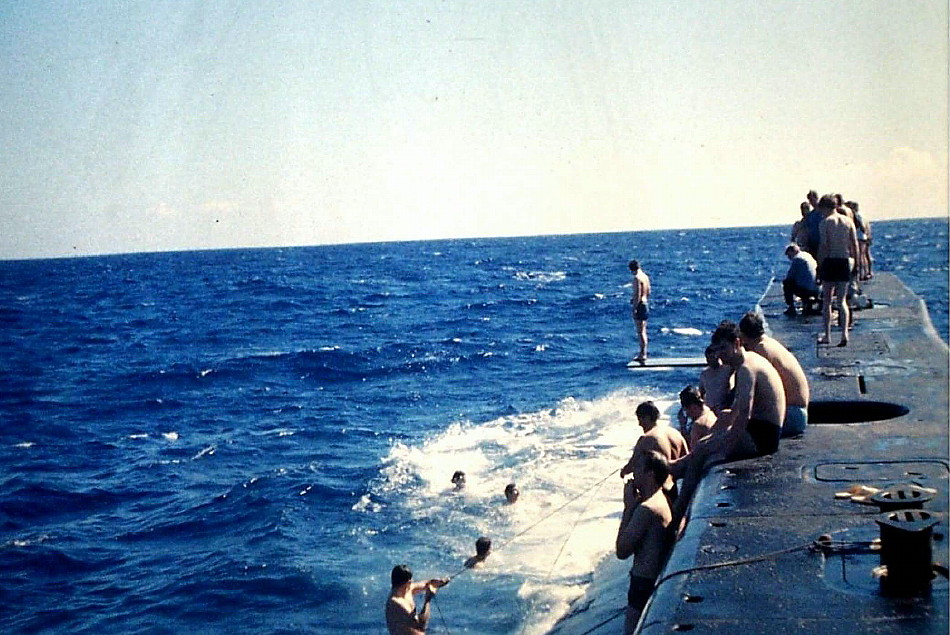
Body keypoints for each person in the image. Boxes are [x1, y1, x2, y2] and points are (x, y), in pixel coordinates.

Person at [669, 321, 785, 527]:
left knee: (705, 450)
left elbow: (744, 417)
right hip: (758, 428)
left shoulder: (746, 370)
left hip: (763, 437)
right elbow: (736, 413)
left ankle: (676, 516)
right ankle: (681, 467)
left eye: (723, 348)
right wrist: (718, 436)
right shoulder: (748, 361)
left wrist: (724, 450)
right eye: (717, 350)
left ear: (737, 343)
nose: (720, 355)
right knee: (718, 423)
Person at [616, 450, 673, 634]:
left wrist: (628, 508)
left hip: (643, 584)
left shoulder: (647, 509)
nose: (634, 473)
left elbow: (622, 550)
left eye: (639, 469)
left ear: (651, 474)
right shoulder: (661, 499)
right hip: (651, 579)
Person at [738, 312, 810, 437]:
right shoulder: (769, 342)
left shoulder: (762, 350)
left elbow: (757, 387)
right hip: (797, 412)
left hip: (792, 414)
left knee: (740, 425)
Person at [620, 401, 688, 503]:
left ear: (647, 417)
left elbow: (632, 466)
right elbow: (687, 462)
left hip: (658, 495)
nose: (639, 424)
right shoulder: (675, 433)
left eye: (640, 419)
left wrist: (623, 472)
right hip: (676, 493)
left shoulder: (646, 439)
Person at [817, 194, 859, 347]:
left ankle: (827, 335)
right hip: (844, 261)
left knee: (827, 301)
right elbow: (854, 245)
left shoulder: (825, 223)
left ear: (825, 207)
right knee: (842, 301)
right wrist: (857, 265)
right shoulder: (848, 222)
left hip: (830, 262)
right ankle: (844, 334)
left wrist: (819, 267)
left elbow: (824, 246)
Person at [385, 565, 448, 635]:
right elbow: (421, 625)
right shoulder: (396, 603)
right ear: (407, 583)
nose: (412, 582)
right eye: (411, 582)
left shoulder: (406, 589)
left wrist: (435, 582)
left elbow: (425, 584)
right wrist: (427, 600)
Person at [782, 243, 821, 316]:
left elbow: (789, 276)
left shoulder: (797, 259)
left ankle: (791, 308)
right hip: (817, 288)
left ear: (792, 251)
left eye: (788, 255)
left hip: (807, 290)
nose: (788, 257)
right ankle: (808, 304)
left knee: (787, 284)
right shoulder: (807, 255)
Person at [698, 346, 735, 415]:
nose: (709, 360)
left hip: (723, 407)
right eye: (707, 358)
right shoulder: (704, 373)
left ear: (717, 357)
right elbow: (701, 392)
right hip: (709, 408)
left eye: (712, 357)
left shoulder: (727, 370)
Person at [628, 260, 651, 362]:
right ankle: (643, 352)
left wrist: (634, 308)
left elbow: (637, 294)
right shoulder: (645, 277)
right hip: (645, 303)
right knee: (643, 330)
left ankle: (642, 354)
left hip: (640, 305)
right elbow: (648, 291)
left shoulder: (637, 278)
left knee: (640, 331)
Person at [849, 201, 873, 281]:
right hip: (865, 237)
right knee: (866, 255)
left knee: (861, 256)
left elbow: (862, 226)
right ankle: (868, 271)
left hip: (860, 237)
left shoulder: (857, 215)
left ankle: (862, 274)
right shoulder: (863, 215)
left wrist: (861, 230)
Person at [803, 190, 823, 256]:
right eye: (809, 200)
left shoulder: (824, 212)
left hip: (823, 242)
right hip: (813, 244)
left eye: (812, 199)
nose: (811, 202)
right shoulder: (811, 215)